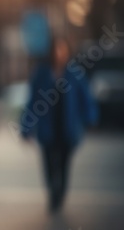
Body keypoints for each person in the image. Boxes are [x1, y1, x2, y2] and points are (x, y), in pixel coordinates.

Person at [20, 36, 98, 213]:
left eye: (62, 49)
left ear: (67, 51)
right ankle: (52, 193)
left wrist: (90, 118)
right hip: (48, 129)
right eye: (55, 49)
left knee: (63, 165)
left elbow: (85, 99)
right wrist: (26, 128)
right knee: (48, 164)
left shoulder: (74, 73)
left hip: (67, 129)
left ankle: (60, 194)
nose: (58, 53)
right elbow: (32, 102)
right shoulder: (41, 73)